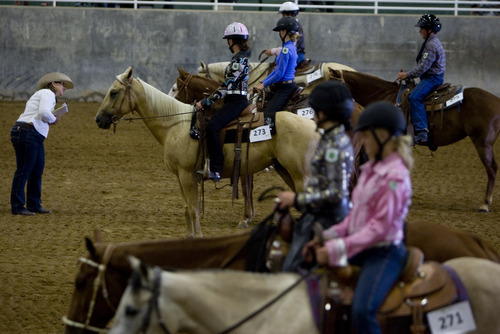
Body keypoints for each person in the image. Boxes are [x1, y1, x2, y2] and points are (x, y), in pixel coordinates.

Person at [305, 101, 413, 334]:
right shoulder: (370, 170)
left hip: (384, 252)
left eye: (366, 136)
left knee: (363, 311)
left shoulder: (395, 177)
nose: (362, 142)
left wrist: (336, 249)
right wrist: (327, 236)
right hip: (362, 246)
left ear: (383, 136)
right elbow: (355, 217)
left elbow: (379, 228)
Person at [274, 81, 355, 272]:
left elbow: (335, 194)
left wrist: (296, 199)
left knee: (291, 270)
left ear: (326, 113)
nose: (312, 116)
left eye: (316, 111)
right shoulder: (329, 138)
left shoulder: (335, 145)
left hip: (329, 218)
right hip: (318, 213)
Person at [11, 72, 74, 215]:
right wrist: (53, 119)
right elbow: (44, 112)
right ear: (53, 83)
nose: (64, 88)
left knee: (35, 170)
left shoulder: (45, 95)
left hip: (30, 133)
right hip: (28, 133)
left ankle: (33, 204)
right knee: (25, 170)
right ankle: (18, 205)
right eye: (62, 84)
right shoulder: (47, 93)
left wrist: (51, 119)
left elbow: (41, 115)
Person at [195, 22, 251, 182]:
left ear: (233, 40)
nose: (227, 43)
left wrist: (205, 102)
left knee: (212, 127)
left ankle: (216, 169)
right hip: (233, 100)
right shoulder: (240, 58)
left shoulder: (238, 61)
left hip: (236, 101)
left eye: (228, 39)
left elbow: (226, 87)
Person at [396, 14, 445, 145]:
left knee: (415, 97)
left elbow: (423, 67)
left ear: (429, 30)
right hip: (430, 76)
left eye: (422, 28)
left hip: (432, 78)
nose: (419, 31)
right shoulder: (431, 42)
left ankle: (422, 130)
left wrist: (407, 75)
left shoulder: (431, 45)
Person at [255, 16, 299, 127]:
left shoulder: (285, 50)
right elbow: (276, 71)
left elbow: (279, 74)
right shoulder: (291, 47)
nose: (279, 33)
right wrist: (262, 83)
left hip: (285, 88)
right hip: (285, 85)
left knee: (268, 115)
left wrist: (263, 84)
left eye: (280, 31)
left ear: (284, 31)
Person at [264, 1, 311, 68]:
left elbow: (289, 49)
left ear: (289, 14)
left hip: (296, 56)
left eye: (283, 15)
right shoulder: (295, 25)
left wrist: (272, 51)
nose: (282, 17)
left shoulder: (295, 27)